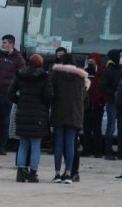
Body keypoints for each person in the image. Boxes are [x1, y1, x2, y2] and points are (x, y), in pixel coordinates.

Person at [8, 54, 53, 183]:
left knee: (23, 144)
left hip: (22, 112)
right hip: (38, 114)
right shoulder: (45, 77)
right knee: (35, 145)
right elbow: (49, 96)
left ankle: (21, 172)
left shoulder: (20, 75)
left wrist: (20, 101)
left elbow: (10, 93)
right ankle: (33, 173)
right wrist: (43, 105)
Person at [50, 54, 89, 184]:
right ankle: (68, 173)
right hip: (75, 114)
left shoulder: (55, 75)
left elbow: (50, 93)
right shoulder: (81, 78)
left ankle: (56, 174)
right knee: (70, 144)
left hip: (58, 113)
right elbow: (84, 97)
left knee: (58, 144)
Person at [0, 34, 26, 155]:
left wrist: (15, 88)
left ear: (11, 44)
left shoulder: (18, 58)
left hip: (8, 95)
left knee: (4, 121)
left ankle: (2, 146)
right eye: (2, 42)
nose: (2, 44)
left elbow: (22, 75)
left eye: (5, 42)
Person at [101, 49, 122, 160]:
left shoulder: (121, 68)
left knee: (121, 128)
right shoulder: (108, 70)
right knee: (111, 127)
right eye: (120, 56)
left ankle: (121, 152)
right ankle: (108, 152)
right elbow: (103, 87)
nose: (121, 58)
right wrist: (115, 93)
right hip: (112, 102)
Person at [81, 53, 105, 158]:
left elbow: (102, 88)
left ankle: (97, 150)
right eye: (89, 60)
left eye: (92, 60)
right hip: (86, 105)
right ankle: (86, 149)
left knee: (96, 128)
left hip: (97, 105)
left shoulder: (101, 73)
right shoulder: (84, 72)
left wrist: (101, 101)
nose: (91, 62)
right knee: (86, 128)